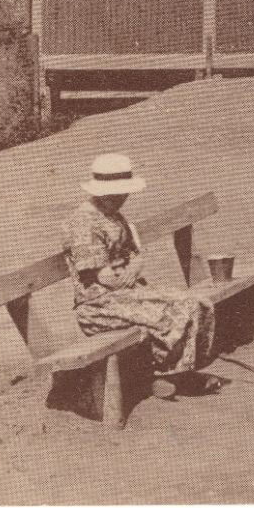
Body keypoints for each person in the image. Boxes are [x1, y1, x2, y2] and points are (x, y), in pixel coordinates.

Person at [64, 154, 216, 381]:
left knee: (197, 302)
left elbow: (135, 256)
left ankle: (178, 370)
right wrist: (131, 269)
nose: (123, 198)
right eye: (118, 193)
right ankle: (172, 374)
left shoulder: (113, 216)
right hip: (99, 306)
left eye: (124, 192)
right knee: (179, 309)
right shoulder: (83, 223)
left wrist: (133, 267)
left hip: (126, 295)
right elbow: (105, 277)